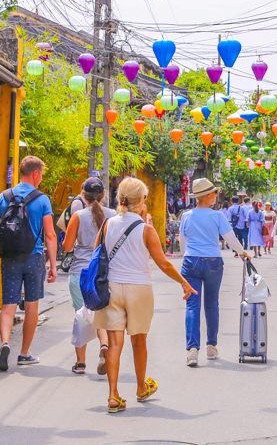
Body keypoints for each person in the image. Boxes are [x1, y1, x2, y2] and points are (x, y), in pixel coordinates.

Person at [95, 177, 196, 413]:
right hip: (139, 289)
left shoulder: (107, 225)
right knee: (139, 340)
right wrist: (184, 283)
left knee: (114, 343)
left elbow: (96, 254)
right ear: (140, 201)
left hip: (111, 288)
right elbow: (164, 264)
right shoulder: (146, 229)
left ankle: (113, 396)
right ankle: (141, 387)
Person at [0, 156, 56, 371]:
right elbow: (51, 235)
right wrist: (53, 265)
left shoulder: (4, 196)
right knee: (31, 306)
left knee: (8, 305)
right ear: (35, 174)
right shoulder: (42, 199)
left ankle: (5, 343)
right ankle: (24, 354)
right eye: (41, 175)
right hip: (34, 259)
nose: (41, 179)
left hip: (9, 259)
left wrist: (4, 249)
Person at [179, 179, 249, 367]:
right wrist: (242, 253)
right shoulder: (217, 216)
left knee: (192, 305)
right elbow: (231, 239)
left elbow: (182, 243)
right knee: (212, 304)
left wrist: (189, 257)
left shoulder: (187, 216)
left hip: (191, 261)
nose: (216, 196)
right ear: (208, 196)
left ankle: (193, 351)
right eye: (214, 193)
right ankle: (211, 346)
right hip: (213, 262)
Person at [61, 177, 116, 375]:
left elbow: (67, 246)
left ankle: (81, 363)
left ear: (83, 195)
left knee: (83, 316)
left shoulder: (78, 215)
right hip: (104, 272)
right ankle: (105, 345)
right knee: (100, 313)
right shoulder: (113, 215)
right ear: (102, 195)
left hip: (81, 273)